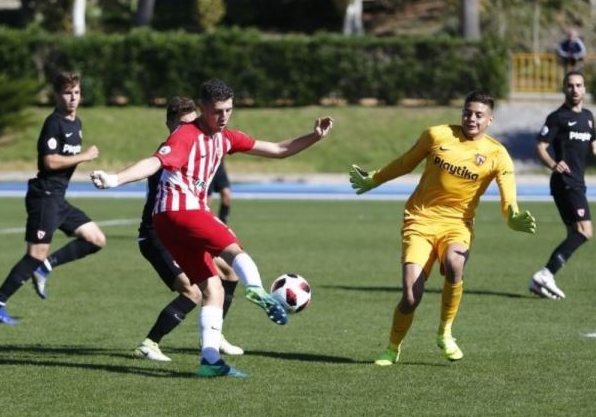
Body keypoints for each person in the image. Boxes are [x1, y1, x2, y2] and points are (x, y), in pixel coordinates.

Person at [90, 78, 333, 378]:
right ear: (202, 108)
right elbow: (153, 162)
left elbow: (279, 149)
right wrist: (114, 179)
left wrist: (314, 136)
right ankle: (256, 290)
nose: (223, 117)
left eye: (228, 110)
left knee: (213, 288)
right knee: (233, 249)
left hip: (170, 224)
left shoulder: (226, 138)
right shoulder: (185, 135)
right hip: (180, 211)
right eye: (217, 111)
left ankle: (209, 360)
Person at [349, 90, 536, 366]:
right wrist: (374, 179)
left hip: (457, 224)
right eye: (467, 112)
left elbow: (508, 198)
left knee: (454, 263)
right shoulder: (437, 136)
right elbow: (405, 163)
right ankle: (392, 347)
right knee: (411, 297)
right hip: (420, 220)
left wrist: (512, 216)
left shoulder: (498, 155)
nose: (471, 118)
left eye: (478, 115)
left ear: (490, 120)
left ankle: (445, 332)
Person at [134, 97, 243, 362]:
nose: (189, 129)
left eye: (192, 123)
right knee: (192, 291)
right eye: (183, 125)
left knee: (230, 272)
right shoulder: (167, 156)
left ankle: (215, 337)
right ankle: (149, 343)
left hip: (185, 232)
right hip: (158, 237)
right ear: (169, 124)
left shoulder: (197, 145)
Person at [0, 72, 106, 325]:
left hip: (58, 199)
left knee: (96, 239)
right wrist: (85, 157)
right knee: (34, 253)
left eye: (76, 92)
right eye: (67, 93)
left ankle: (46, 266)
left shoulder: (76, 124)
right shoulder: (54, 123)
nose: (72, 98)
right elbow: (50, 161)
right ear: (57, 95)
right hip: (44, 196)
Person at [529, 71, 596, 300]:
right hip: (566, 183)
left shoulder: (588, 117)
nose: (575, 89)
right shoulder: (557, 117)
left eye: (578, 85)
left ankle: (546, 277)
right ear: (564, 89)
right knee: (586, 232)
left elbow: (594, 145)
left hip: (577, 182)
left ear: (584, 89)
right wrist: (552, 163)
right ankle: (545, 274)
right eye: (570, 85)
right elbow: (540, 145)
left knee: (573, 234)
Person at [207, 159, 232, 224]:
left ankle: (223, 224)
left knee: (226, 195)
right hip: (207, 165)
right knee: (207, 202)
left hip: (218, 164)